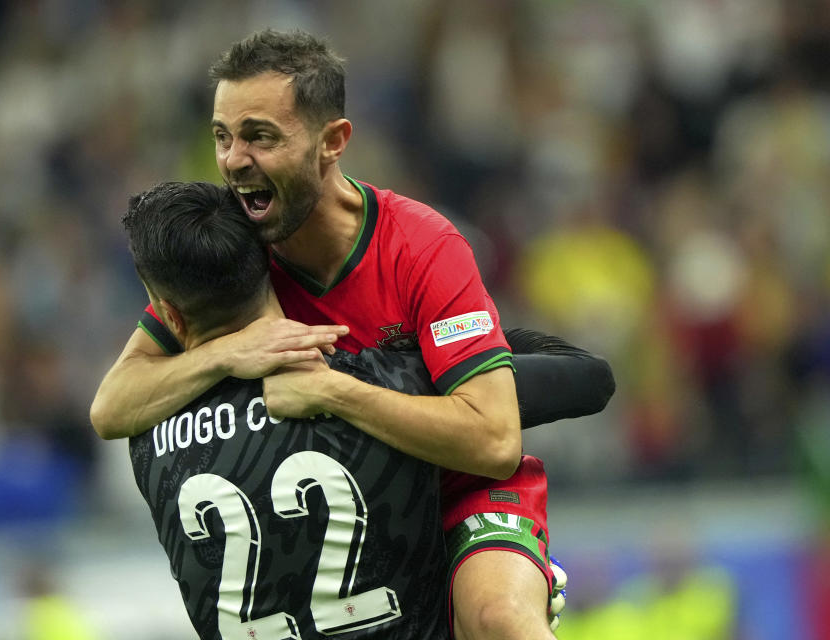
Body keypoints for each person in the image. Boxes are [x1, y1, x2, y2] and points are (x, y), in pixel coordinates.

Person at [92, 30, 615, 640]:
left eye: (260, 136)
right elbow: (113, 405)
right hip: (363, 516)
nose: (234, 159)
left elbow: (495, 442)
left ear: (332, 142)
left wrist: (333, 392)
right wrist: (230, 352)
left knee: (498, 620)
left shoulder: (422, 245)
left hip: (458, 494)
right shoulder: (238, 248)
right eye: (222, 136)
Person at [124, 181, 452, 639]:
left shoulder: (147, 441)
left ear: (170, 317)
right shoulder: (380, 380)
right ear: (272, 267)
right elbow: (565, 383)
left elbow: (111, 408)